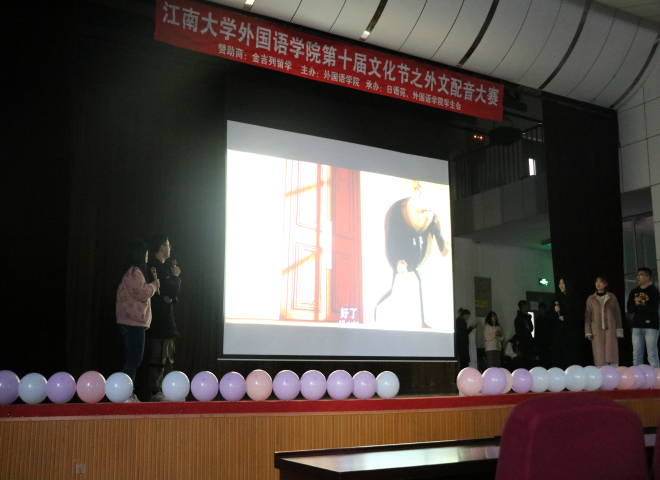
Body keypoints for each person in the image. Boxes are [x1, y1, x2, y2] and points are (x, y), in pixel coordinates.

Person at [116, 240, 159, 403]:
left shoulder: (131, 271)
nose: (147, 257)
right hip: (132, 324)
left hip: (132, 323)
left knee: (134, 359)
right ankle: (124, 394)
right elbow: (141, 292)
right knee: (134, 359)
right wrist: (154, 285)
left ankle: (126, 392)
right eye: (146, 254)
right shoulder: (135, 272)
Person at [146, 234, 182, 402]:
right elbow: (169, 289)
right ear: (162, 247)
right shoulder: (154, 267)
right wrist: (175, 277)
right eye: (168, 245)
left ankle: (168, 390)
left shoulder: (165, 267)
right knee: (158, 356)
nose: (170, 248)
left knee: (168, 357)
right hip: (159, 320)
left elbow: (171, 295)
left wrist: (172, 298)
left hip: (167, 320)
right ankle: (155, 391)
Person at [585, 275, 623, 367]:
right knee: (599, 354)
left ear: (605, 284)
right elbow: (588, 316)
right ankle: (601, 372)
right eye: (596, 282)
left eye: (600, 282)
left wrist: (618, 329)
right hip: (596, 330)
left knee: (611, 353)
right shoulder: (591, 299)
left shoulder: (612, 297)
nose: (598, 284)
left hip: (611, 329)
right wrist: (588, 331)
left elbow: (617, 314)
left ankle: (613, 372)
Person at [627, 267, 660, 367]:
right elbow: (629, 309)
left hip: (651, 326)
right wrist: (636, 304)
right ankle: (637, 375)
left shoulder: (654, 291)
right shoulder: (634, 292)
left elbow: (653, 308)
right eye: (637, 275)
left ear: (648, 277)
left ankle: (656, 375)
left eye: (641, 275)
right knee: (636, 354)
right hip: (637, 325)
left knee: (652, 354)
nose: (638, 277)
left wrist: (641, 302)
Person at [552, 278, 584, 369]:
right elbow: (549, 316)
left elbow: (579, 315)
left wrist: (566, 318)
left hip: (572, 333)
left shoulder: (575, 298)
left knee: (572, 356)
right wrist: (555, 311)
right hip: (560, 335)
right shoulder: (557, 298)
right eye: (559, 283)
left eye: (563, 283)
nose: (561, 286)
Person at [455, 308, 475, 373]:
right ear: (464, 315)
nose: (468, 318)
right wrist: (471, 328)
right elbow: (464, 333)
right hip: (463, 346)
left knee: (461, 362)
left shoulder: (457, 321)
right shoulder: (462, 323)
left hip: (459, 345)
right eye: (468, 316)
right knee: (464, 363)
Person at [534, 303, 553, 368]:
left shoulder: (549, 319)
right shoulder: (538, 320)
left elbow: (551, 331)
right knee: (541, 359)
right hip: (540, 343)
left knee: (548, 359)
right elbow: (536, 332)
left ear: (545, 309)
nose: (540, 310)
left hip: (547, 342)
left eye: (542, 309)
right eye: (539, 309)